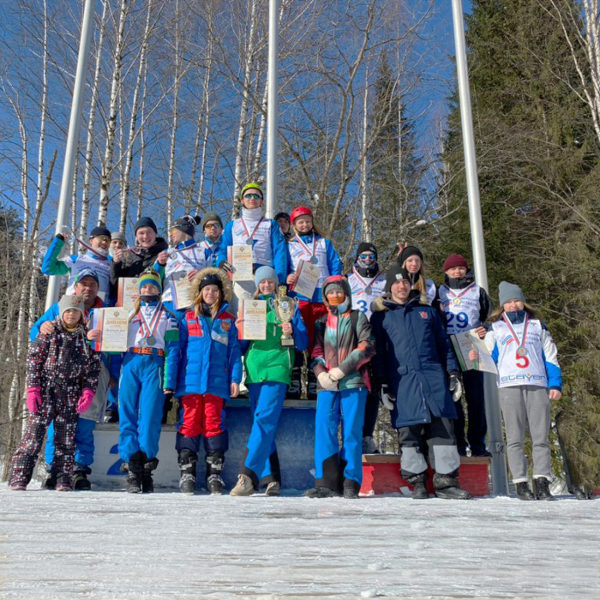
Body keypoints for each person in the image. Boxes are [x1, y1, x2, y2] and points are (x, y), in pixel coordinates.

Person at [371, 265, 470, 500]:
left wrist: (453, 373)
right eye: (396, 283)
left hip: (433, 377)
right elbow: (380, 354)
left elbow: (444, 345)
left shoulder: (428, 312)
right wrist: (383, 383)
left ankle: (446, 482)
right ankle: (417, 482)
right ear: (389, 288)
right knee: (409, 431)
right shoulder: (381, 317)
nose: (401, 286)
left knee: (443, 429)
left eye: (405, 282)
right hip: (402, 381)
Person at [470, 281, 562, 501]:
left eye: (516, 300)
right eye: (508, 302)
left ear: (523, 302)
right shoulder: (496, 328)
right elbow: (488, 358)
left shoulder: (538, 326)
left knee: (540, 437)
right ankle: (521, 483)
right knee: (514, 437)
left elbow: (551, 357)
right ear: (502, 306)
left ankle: (541, 481)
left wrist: (555, 384)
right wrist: (475, 356)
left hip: (537, 384)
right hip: (509, 385)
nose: (513, 305)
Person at [31, 268, 115, 490]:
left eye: (93, 284)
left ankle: (79, 469)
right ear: (75, 286)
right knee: (58, 425)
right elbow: (34, 333)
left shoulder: (106, 311)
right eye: (83, 283)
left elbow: (117, 347)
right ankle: (54, 469)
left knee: (85, 424)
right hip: (61, 377)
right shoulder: (60, 307)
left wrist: (113, 374)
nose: (88, 288)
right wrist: (43, 327)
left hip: (92, 375)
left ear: (98, 288)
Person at [9, 295, 101, 491]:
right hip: (47, 389)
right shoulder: (49, 332)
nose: (71, 315)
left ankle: (62, 477)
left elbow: (93, 368)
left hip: (70, 392)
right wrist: (33, 389)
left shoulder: (86, 337)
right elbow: (34, 361)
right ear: (61, 312)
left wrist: (87, 391)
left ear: (81, 314)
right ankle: (20, 476)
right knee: (34, 435)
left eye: (75, 311)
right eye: (67, 311)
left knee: (66, 438)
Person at [230, 266, 308, 497]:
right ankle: (270, 478)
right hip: (254, 370)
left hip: (277, 368)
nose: (266, 285)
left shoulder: (288, 306)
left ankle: (247, 475)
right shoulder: (251, 308)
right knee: (261, 424)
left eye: (270, 282)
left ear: (276, 284)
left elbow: (303, 343)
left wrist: (292, 329)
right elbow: (242, 347)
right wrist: (240, 331)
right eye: (262, 282)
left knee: (264, 420)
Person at [305, 275, 375, 499]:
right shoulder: (321, 321)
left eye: (338, 291)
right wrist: (321, 373)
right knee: (324, 429)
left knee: (352, 431)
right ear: (325, 296)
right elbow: (316, 351)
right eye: (330, 292)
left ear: (346, 292)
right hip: (327, 384)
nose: (334, 296)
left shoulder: (357, 318)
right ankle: (326, 482)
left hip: (353, 381)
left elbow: (366, 347)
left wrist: (342, 369)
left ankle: (351, 481)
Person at [175, 267, 242, 495]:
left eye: (215, 290)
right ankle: (187, 472)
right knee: (190, 423)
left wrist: (235, 378)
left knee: (214, 425)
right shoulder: (187, 318)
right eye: (207, 290)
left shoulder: (228, 321)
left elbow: (234, 353)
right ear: (200, 292)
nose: (211, 294)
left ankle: (214, 473)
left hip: (217, 383)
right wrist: (172, 380)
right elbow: (178, 351)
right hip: (190, 384)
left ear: (221, 294)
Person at [112, 270, 180, 493]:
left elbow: (173, 349)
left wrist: (169, 380)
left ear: (159, 290)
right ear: (138, 290)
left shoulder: (169, 316)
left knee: (150, 417)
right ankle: (132, 465)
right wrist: (114, 374)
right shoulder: (127, 314)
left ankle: (146, 466)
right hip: (131, 362)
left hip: (155, 363)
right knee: (127, 414)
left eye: (152, 287)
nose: (147, 290)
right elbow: (112, 345)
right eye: (144, 287)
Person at [436, 253, 492, 456]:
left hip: (471, 345)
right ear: (446, 272)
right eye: (452, 269)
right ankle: (458, 443)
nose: (457, 271)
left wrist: (485, 328)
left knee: (476, 397)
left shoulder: (477, 290)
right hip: (449, 346)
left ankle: (478, 443)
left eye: (460, 268)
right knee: (454, 396)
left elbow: (487, 315)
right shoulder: (440, 291)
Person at [217, 183, 288, 305]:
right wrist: (222, 262)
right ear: (242, 201)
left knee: (267, 313)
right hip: (240, 275)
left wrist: (280, 277)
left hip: (265, 276)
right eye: (248, 195)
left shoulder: (271, 224)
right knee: (243, 313)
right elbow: (222, 249)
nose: (252, 198)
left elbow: (280, 252)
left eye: (256, 196)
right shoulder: (232, 225)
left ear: (262, 201)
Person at [347, 242, 386, 455]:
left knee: (373, 389)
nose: (368, 259)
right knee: (353, 386)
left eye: (372, 255)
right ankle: (350, 435)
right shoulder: (348, 278)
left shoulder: (384, 279)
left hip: (376, 339)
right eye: (364, 255)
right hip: (352, 339)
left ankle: (367, 436)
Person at [286, 206, 343, 350]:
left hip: (322, 296)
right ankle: (304, 364)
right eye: (300, 222)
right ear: (294, 225)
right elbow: (285, 267)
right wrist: (288, 277)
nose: (305, 225)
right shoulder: (290, 245)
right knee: (303, 332)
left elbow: (335, 264)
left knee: (324, 333)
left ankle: (321, 362)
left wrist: (335, 283)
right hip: (301, 295)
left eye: (307, 221)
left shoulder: (324, 242)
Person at [42, 225, 112, 303]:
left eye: (108, 240)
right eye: (101, 238)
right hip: (73, 309)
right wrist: (58, 241)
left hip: (99, 311)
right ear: (91, 240)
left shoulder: (111, 264)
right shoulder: (76, 259)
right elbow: (48, 268)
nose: (104, 242)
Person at [154, 215, 207, 318]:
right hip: (169, 303)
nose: (170, 235)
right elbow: (152, 279)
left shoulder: (204, 251)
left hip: (194, 303)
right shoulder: (167, 253)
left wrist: (202, 275)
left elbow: (215, 275)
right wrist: (159, 264)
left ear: (184, 229)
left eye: (173, 231)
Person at [109, 216, 168, 299]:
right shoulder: (129, 255)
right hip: (129, 301)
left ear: (155, 234)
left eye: (149, 232)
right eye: (141, 233)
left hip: (154, 303)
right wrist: (116, 263)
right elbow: (115, 284)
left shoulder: (165, 254)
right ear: (136, 236)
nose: (145, 236)